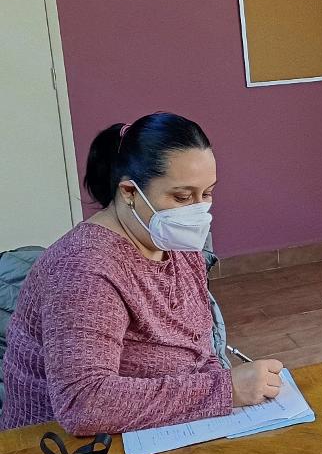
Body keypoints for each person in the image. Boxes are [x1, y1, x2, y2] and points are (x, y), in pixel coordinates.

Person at [0, 113, 283, 435]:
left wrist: (223, 390)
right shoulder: (84, 270)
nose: (198, 211)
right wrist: (225, 390)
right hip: (61, 450)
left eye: (206, 194)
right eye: (182, 197)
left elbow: (197, 348)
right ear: (129, 192)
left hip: (165, 426)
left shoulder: (173, 243)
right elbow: (84, 405)